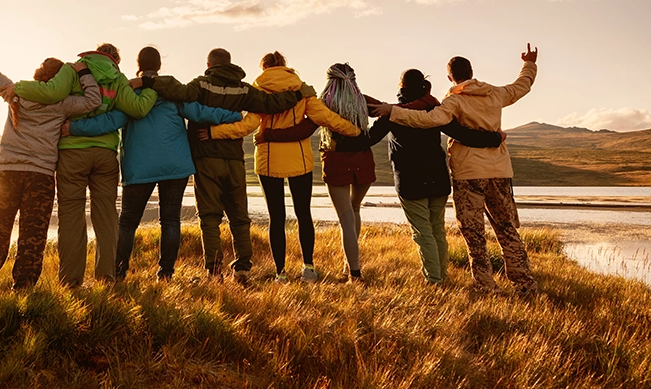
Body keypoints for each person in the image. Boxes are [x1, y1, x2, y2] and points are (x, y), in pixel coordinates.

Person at [0, 25, 102, 302]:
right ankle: (24, 290)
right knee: (33, 235)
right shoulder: (64, 104)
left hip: (6, 172)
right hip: (40, 177)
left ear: (38, 75)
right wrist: (83, 72)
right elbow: (93, 100)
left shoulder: (14, 92)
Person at [135, 48, 315, 284]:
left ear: (208, 65)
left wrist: (147, 80)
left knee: (210, 217)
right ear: (230, 65)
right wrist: (298, 94)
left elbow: (178, 91)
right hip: (234, 159)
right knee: (239, 216)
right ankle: (242, 268)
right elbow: (272, 103)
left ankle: (214, 270)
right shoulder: (243, 89)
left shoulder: (201, 84)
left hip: (205, 158)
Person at [62, 46, 242, 281]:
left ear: (138, 64)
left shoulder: (128, 92)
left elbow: (109, 121)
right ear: (159, 65)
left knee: (127, 222)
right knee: (170, 220)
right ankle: (165, 273)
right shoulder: (171, 91)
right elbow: (200, 112)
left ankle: (118, 271)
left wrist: (74, 127)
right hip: (175, 165)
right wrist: (234, 115)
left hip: (140, 167)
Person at [373, 44, 539, 297]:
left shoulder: (454, 101)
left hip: (468, 174)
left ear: (450, 77)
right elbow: (522, 86)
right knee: (506, 228)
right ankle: (525, 285)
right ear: (472, 72)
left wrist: (393, 112)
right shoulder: (496, 94)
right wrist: (529, 63)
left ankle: (486, 286)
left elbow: (428, 120)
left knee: (474, 234)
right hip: (499, 171)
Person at [329, 69, 503, 286]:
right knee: (437, 230)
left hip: (410, 182)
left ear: (401, 88)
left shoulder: (393, 114)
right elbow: (463, 134)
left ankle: (435, 281)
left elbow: (367, 141)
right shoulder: (435, 110)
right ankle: (441, 276)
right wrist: (494, 137)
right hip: (438, 179)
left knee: (423, 233)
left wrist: (338, 144)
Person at [199, 51, 360, 284]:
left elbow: (247, 126)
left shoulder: (259, 91)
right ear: (285, 66)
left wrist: (215, 132)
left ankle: (281, 273)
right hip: (300, 160)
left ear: (264, 68)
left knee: (277, 217)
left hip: (268, 161)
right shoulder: (301, 89)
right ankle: (308, 268)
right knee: (303, 214)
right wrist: (355, 130)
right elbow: (327, 118)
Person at [11, 43, 158, 288]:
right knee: (107, 217)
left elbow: (50, 94)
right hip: (104, 156)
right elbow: (136, 109)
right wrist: (150, 88)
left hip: (71, 154)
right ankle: (106, 278)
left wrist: (15, 87)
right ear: (115, 60)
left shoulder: (72, 69)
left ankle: (71, 281)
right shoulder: (118, 78)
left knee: (70, 217)